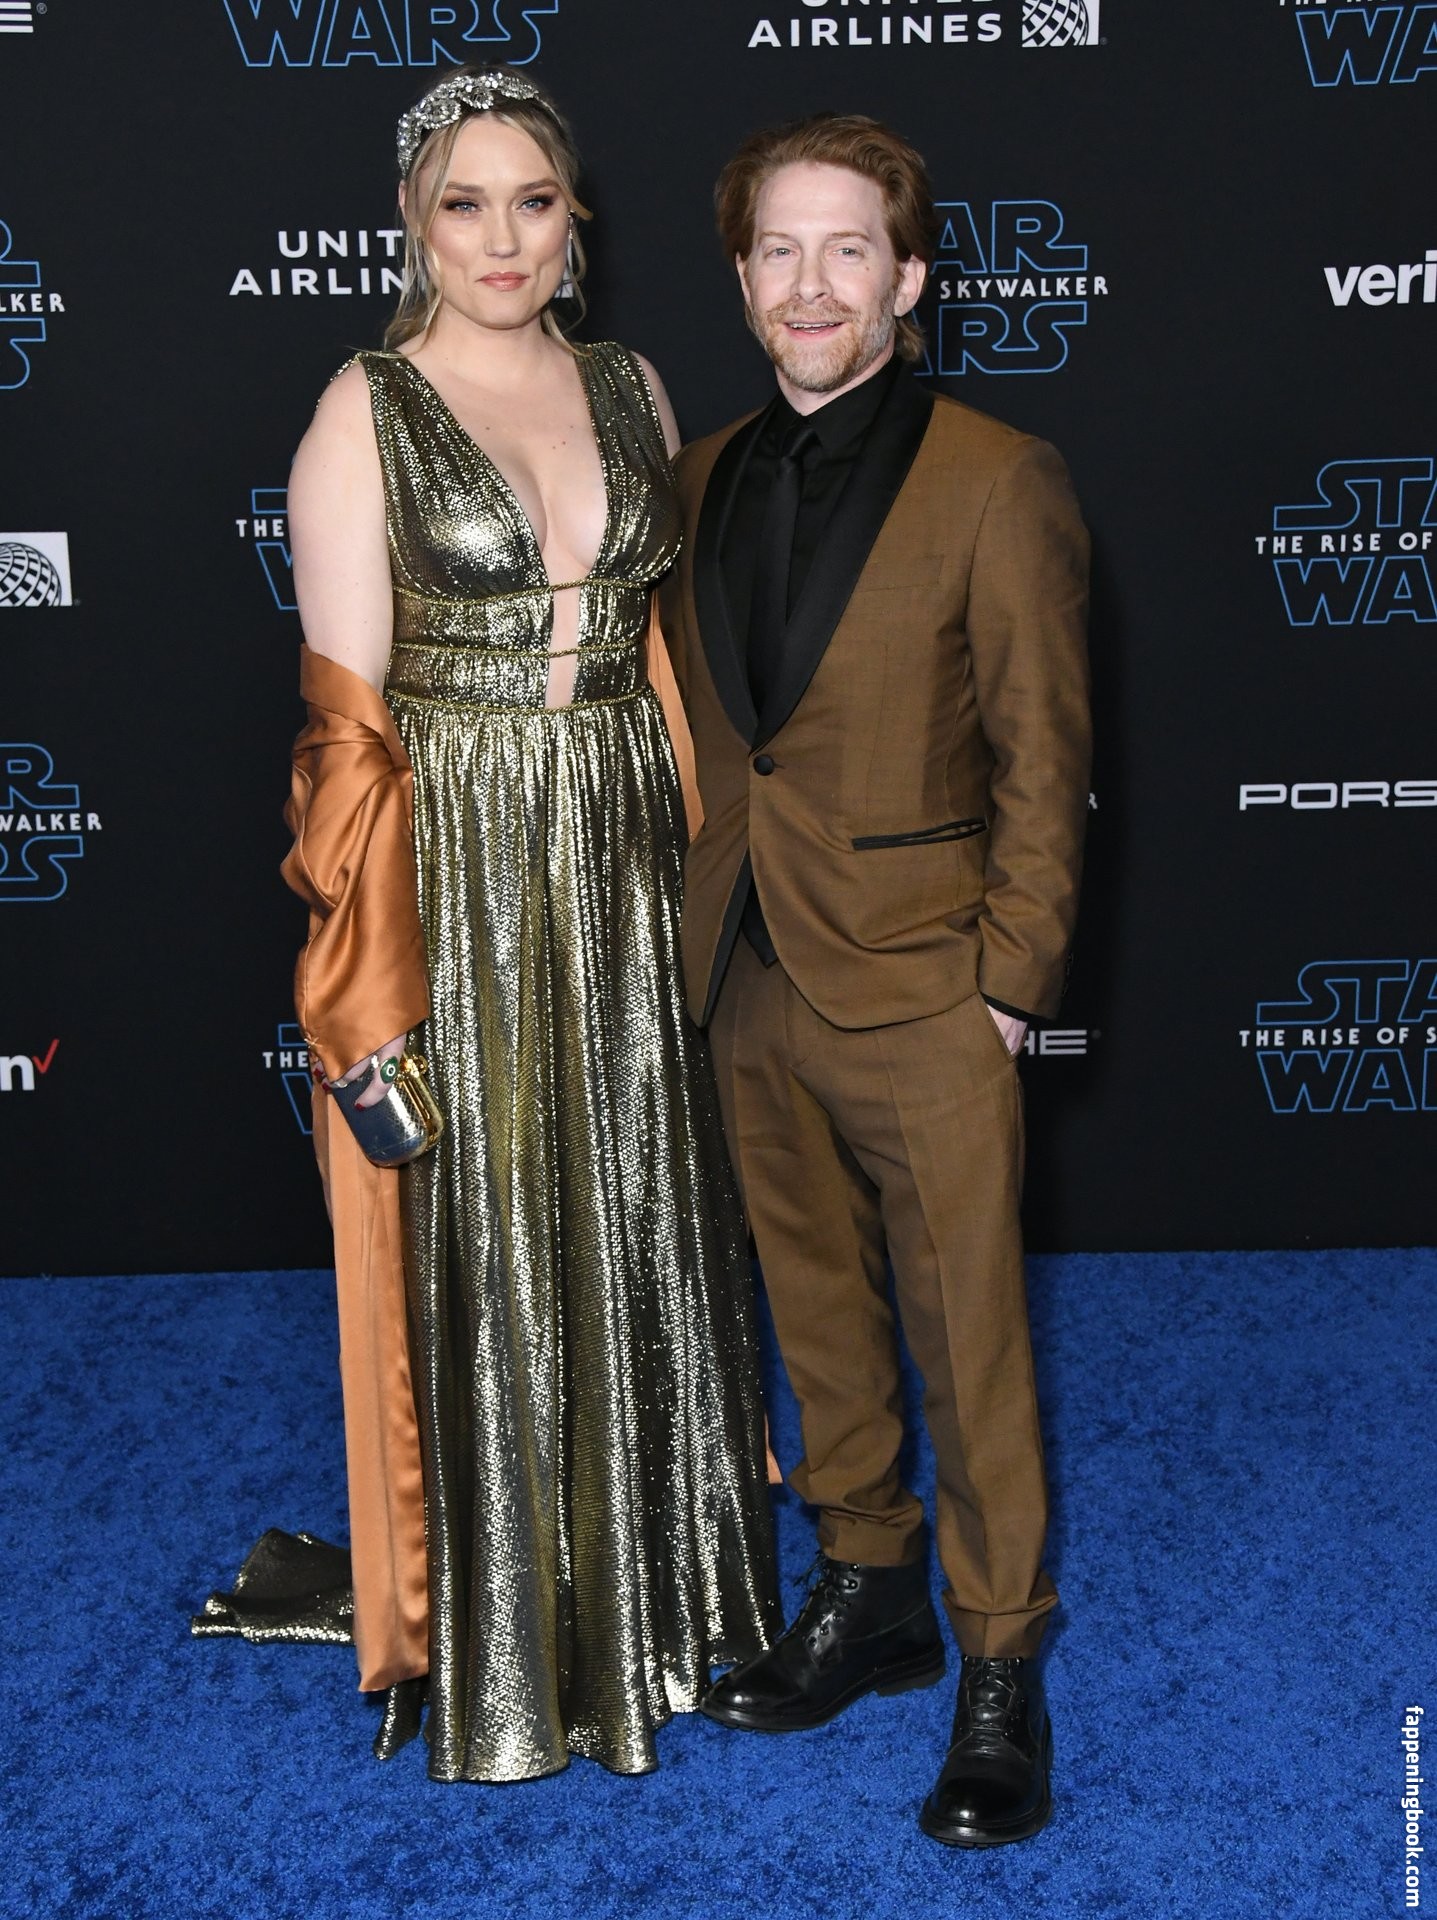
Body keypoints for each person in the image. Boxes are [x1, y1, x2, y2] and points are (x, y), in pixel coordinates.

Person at [277, 63, 779, 1783]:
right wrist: (361, 991)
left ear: (577, 222)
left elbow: (668, 657)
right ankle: (519, 1636)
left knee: (644, 1195)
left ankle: (669, 1600)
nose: (502, 239)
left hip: (626, 833)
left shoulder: (632, 385)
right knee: (493, 1219)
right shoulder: (364, 408)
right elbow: (346, 734)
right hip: (467, 855)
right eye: (464, 205)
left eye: (534, 201)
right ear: (413, 227)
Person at [657, 114, 1090, 1847]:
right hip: (746, 961)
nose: (810, 283)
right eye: (779, 249)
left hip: (924, 982)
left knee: (968, 1343)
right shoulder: (694, 476)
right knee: (814, 1310)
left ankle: (997, 1660)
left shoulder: (999, 475)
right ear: (742, 278)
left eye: (848, 248)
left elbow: (1047, 755)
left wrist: (1009, 986)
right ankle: (869, 1583)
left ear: (907, 277)